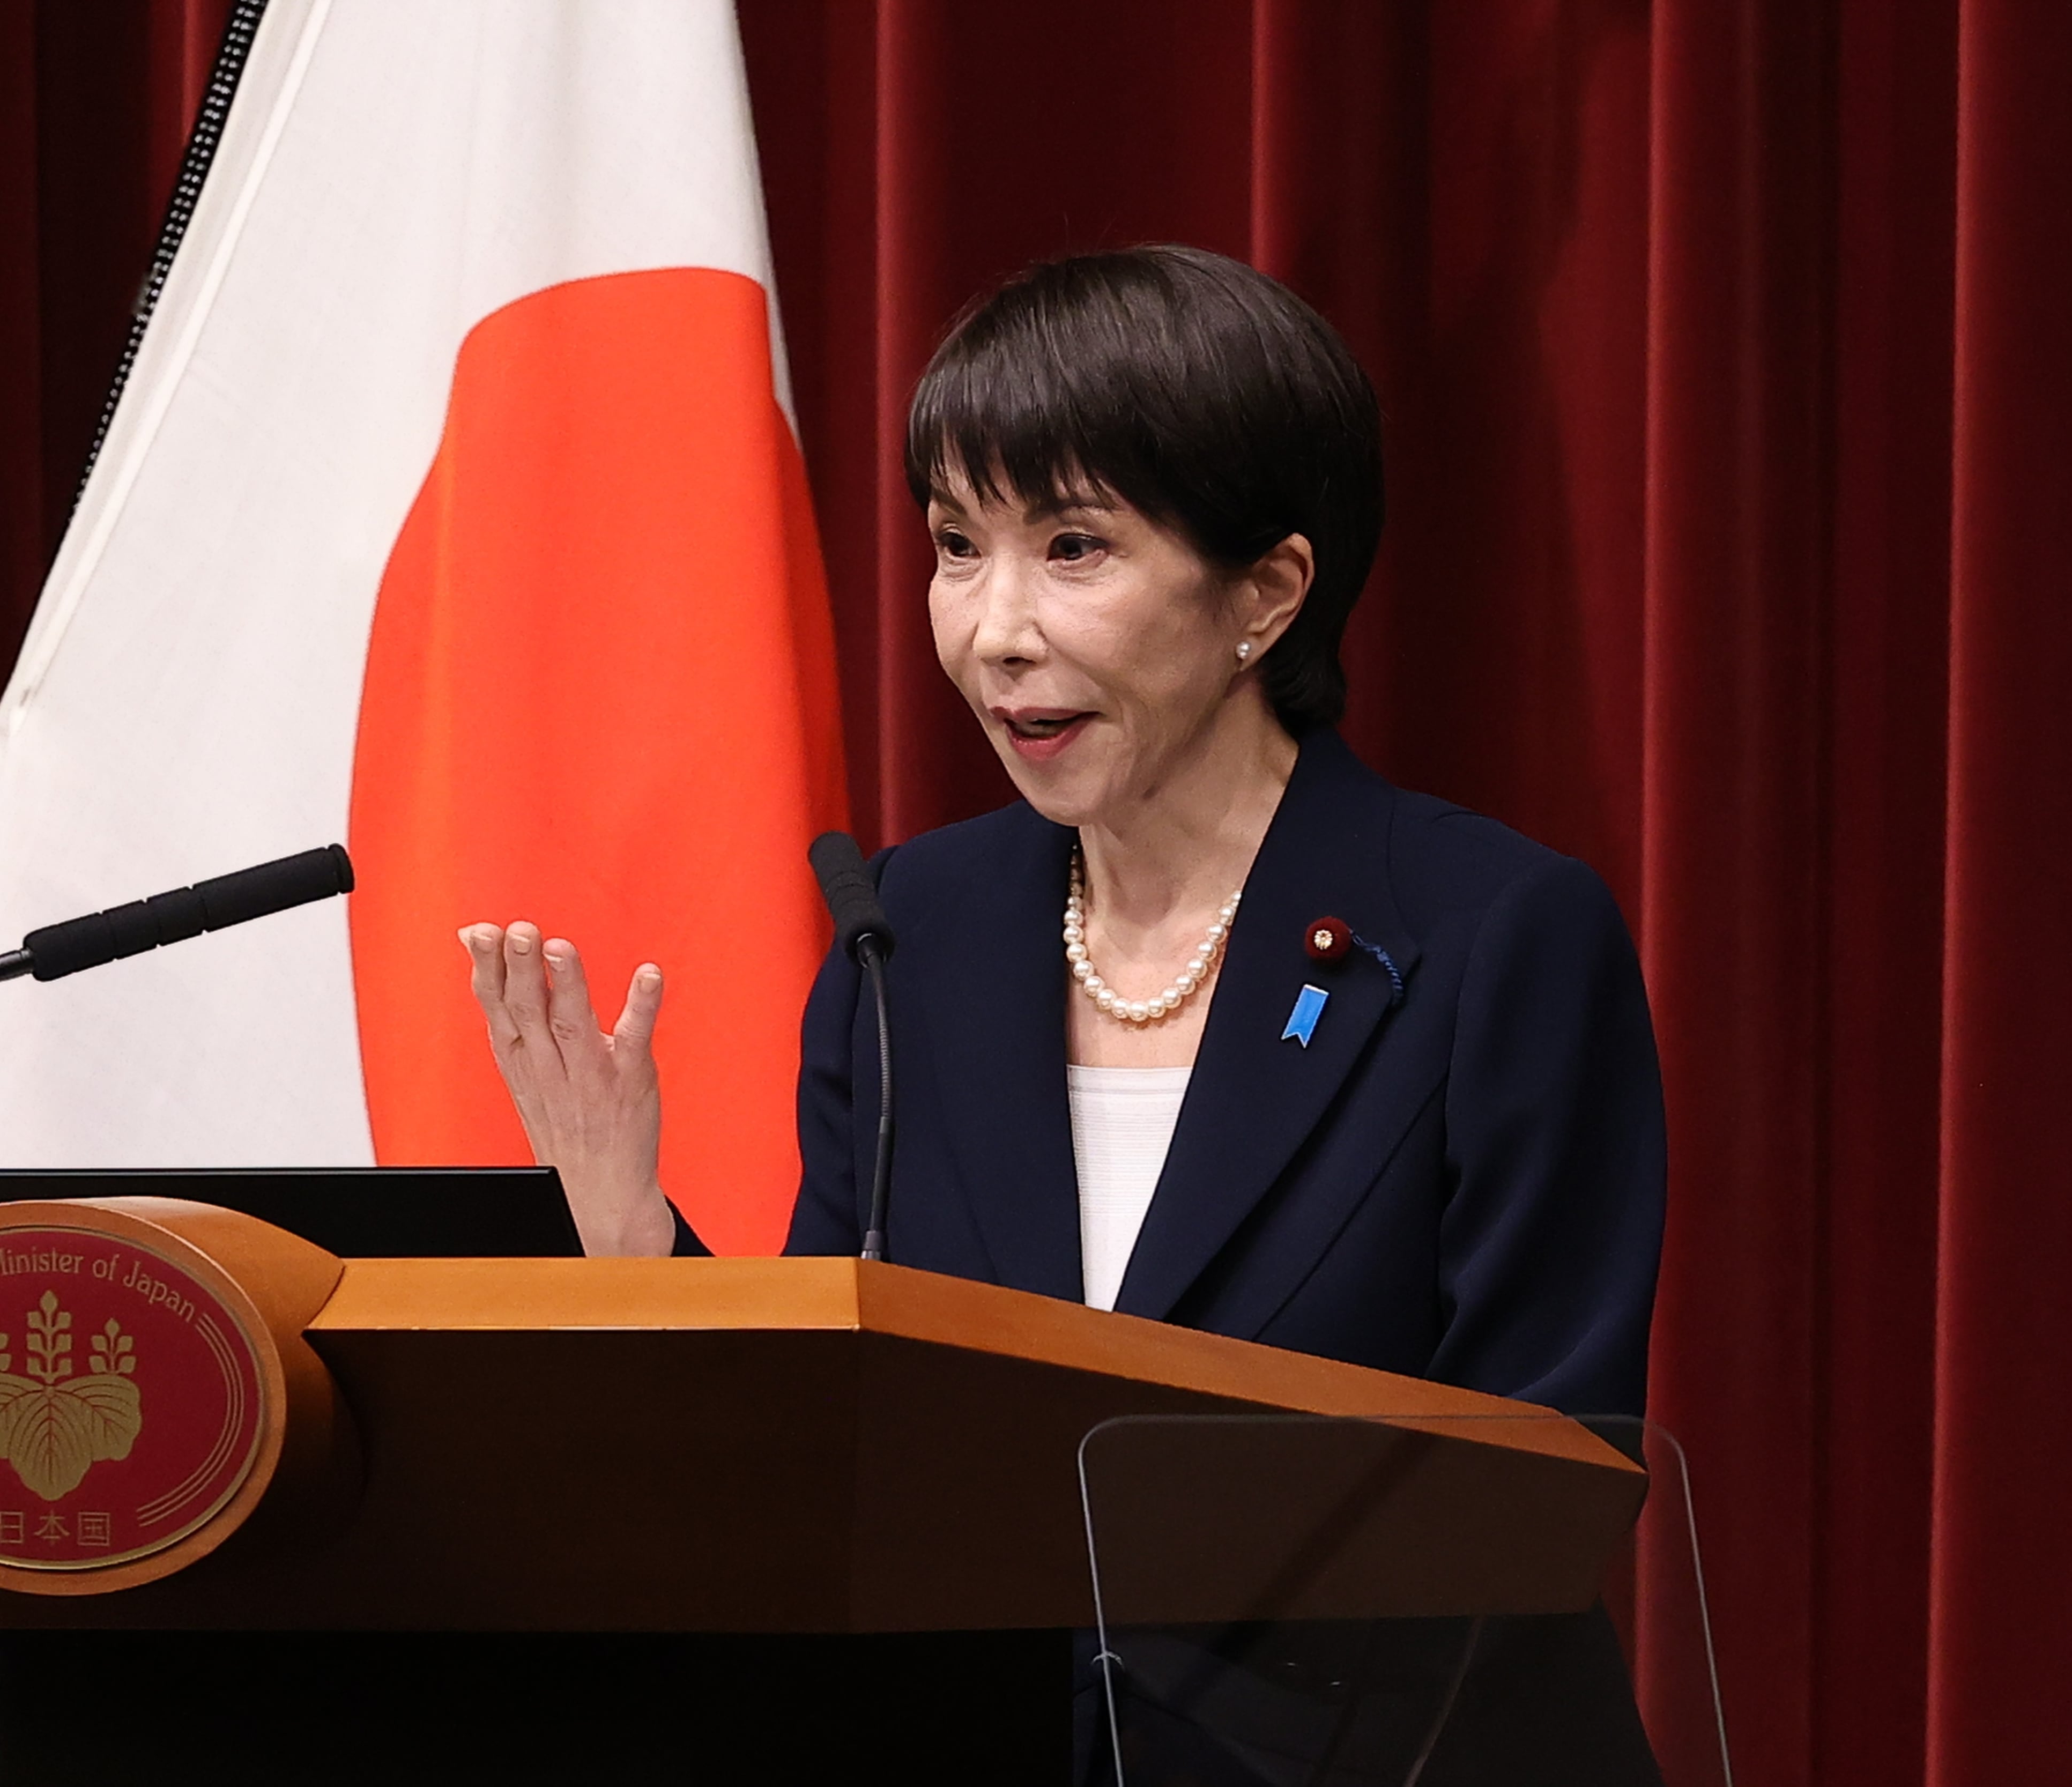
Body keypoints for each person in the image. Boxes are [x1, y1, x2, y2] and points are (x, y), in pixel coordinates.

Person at [461, 245, 1666, 1783]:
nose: (993, 630)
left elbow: (1541, 1481)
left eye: (1073, 548)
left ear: (1266, 595)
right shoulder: (913, 938)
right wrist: (633, 1242)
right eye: (958, 546)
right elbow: (844, 1448)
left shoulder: (1488, 938)